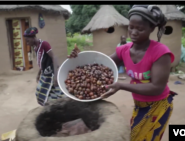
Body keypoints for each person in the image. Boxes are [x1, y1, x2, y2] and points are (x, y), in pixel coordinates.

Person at [69, 5, 177, 141]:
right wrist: (79, 57)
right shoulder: (124, 50)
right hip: (139, 104)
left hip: (158, 105)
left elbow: (157, 88)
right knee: (135, 135)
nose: (133, 32)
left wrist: (121, 85)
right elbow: (101, 65)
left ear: (151, 29)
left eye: (140, 29)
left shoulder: (160, 53)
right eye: (131, 27)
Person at [24, 27, 66, 106]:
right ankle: (50, 107)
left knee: (58, 94)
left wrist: (56, 76)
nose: (27, 43)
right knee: (40, 93)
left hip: (51, 73)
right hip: (45, 73)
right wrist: (39, 74)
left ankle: (59, 106)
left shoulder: (44, 44)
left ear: (33, 37)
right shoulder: (36, 47)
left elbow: (54, 57)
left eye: (28, 40)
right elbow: (41, 61)